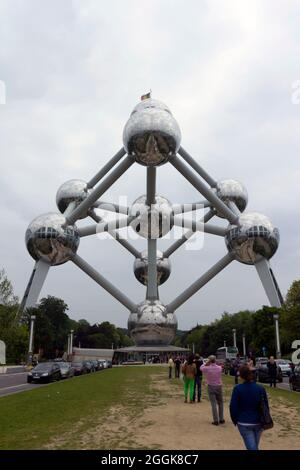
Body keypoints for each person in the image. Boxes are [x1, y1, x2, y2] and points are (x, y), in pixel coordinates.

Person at [230, 365, 270, 450]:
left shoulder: (237, 389)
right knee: (253, 446)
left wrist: (235, 419)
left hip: (244, 422)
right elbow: (265, 405)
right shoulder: (260, 388)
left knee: (252, 447)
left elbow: (233, 407)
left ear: (241, 376)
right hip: (258, 421)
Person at [200, 355, 224, 425]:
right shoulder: (219, 368)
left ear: (210, 360)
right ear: (215, 360)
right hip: (219, 386)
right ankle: (221, 418)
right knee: (220, 403)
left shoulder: (207, 368)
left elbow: (201, 368)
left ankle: (215, 420)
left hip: (211, 386)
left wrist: (206, 363)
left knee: (213, 403)